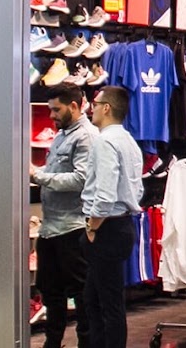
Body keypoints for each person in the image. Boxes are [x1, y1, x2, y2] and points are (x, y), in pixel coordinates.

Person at [30, 86, 97, 348]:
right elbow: (58, 170)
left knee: (81, 293)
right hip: (51, 227)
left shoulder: (86, 137)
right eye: (50, 110)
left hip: (73, 227)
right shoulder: (62, 135)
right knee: (50, 290)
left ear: (74, 106)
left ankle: (86, 343)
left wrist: (37, 175)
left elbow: (81, 179)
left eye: (56, 110)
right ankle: (53, 342)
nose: (52, 115)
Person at [80, 86, 145, 348]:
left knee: (107, 304)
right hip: (122, 224)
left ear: (106, 108)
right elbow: (137, 188)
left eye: (95, 104)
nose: (91, 109)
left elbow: (105, 194)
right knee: (96, 299)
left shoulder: (105, 142)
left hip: (107, 227)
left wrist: (93, 226)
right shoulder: (128, 141)